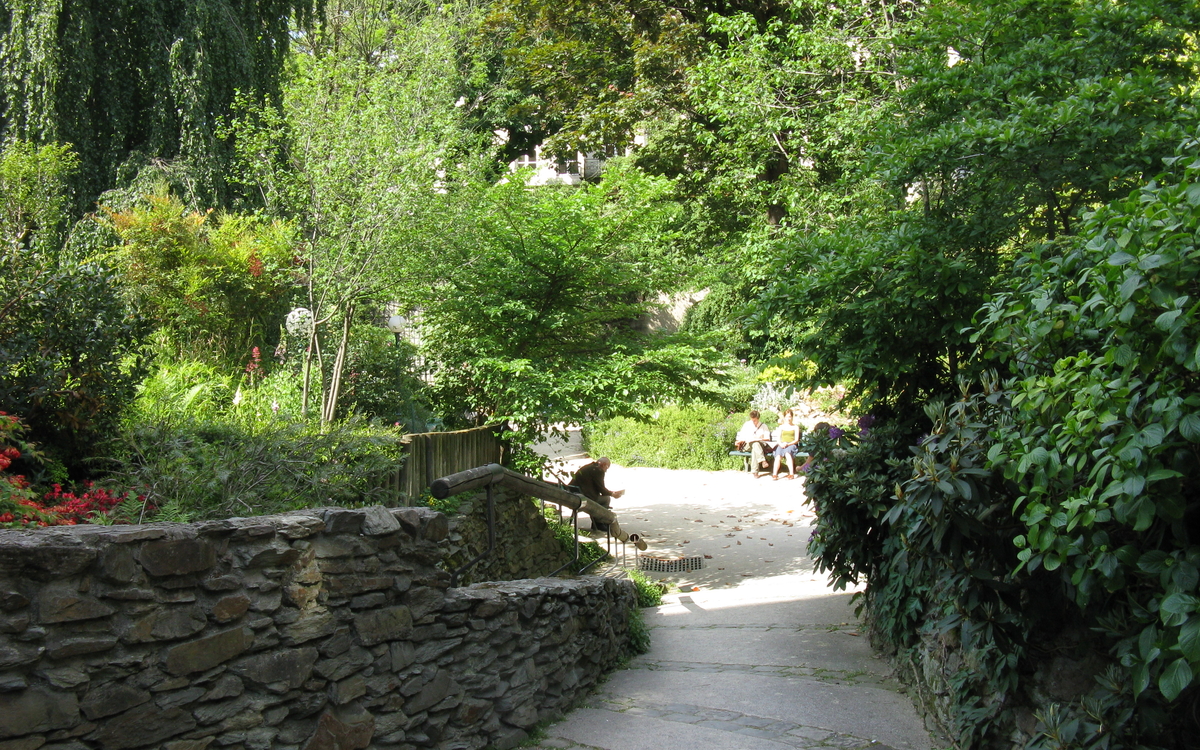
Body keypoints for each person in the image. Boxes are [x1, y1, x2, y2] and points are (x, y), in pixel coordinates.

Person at [570, 457, 625, 532]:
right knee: (606, 499)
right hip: (582, 498)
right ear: (604, 465)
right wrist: (613, 494)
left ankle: (597, 522)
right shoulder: (598, 470)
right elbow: (601, 489)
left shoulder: (588, 467)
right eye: (607, 468)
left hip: (573, 495)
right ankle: (599, 523)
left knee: (601, 498)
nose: (606, 470)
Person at [735, 409, 774, 478]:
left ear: (758, 419)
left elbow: (767, 438)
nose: (753, 422)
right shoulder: (747, 425)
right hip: (747, 445)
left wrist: (759, 438)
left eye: (755, 420)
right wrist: (738, 441)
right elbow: (742, 437)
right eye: (752, 420)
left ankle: (755, 472)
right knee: (755, 445)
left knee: (755, 445)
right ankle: (762, 461)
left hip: (760, 445)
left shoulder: (763, 426)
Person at [771, 409, 801, 480]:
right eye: (787, 417)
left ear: (792, 417)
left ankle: (791, 474)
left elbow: (796, 440)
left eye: (790, 416)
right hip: (782, 444)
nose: (788, 418)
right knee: (778, 456)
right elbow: (778, 439)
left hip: (791, 444)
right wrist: (781, 444)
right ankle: (775, 474)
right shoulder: (781, 427)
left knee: (788, 454)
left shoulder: (795, 427)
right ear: (784, 417)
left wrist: (788, 444)